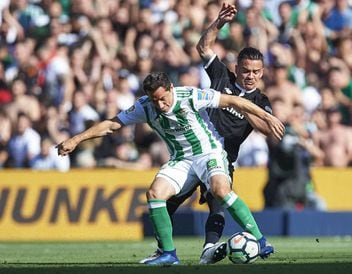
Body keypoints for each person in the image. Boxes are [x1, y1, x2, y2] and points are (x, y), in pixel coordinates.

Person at [56, 72, 285, 265]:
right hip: (181, 159)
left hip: (209, 153)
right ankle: (168, 254)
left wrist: (267, 117)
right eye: (154, 100)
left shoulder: (190, 95)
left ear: (171, 89)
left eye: (163, 98)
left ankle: (261, 240)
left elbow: (235, 101)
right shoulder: (145, 107)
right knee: (155, 194)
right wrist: (76, 140)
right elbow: (111, 125)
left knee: (220, 190)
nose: (160, 104)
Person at [141, 2, 280, 265]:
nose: (250, 76)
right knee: (167, 203)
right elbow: (203, 48)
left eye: (256, 72)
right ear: (237, 67)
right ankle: (165, 251)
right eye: (246, 70)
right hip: (193, 150)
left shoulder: (261, 101)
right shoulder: (222, 77)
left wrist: (242, 103)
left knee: (218, 200)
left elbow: (265, 129)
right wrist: (218, 23)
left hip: (222, 156)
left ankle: (209, 247)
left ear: (262, 73)